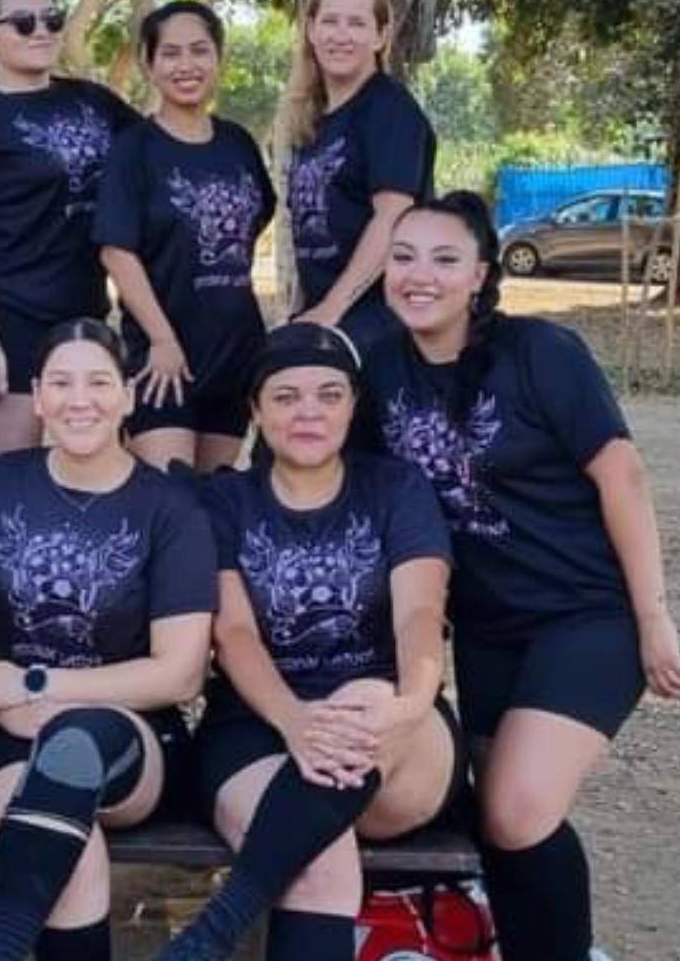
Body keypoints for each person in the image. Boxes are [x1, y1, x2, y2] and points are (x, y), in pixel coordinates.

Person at [367, 191, 680, 961]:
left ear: (481, 274)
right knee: (501, 818)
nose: (422, 276)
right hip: (487, 629)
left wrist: (653, 618)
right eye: (404, 256)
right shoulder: (382, 369)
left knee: (517, 809)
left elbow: (623, 477)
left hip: (586, 616)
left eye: (445, 260)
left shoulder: (541, 353)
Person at [160, 321, 463, 960]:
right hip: (257, 724)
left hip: (394, 733)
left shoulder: (396, 489)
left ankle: (219, 927)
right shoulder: (224, 501)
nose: (308, 413)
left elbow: (419, 614)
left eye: (329, 395)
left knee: (358, 702)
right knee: (320, 860)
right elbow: (234, 632)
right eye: (286, 396)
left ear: (354, 405)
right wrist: (294, 719)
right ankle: (215, 934)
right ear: (255, 410)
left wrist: (409, 704)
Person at [0, 319, 215, 960]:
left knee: (76, 741)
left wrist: (37, 684)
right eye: (61, 383)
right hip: (6, 738)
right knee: (73, 852)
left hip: (133, 739)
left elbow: (178, 674)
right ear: (36, 397)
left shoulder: (170, 508)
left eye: (98, 382)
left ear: (126, 395)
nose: (79, 400)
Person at [0, 0, 141, 454]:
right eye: (23, 23)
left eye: (51, 18)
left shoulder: (95, 102)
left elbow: (156, 158)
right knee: (14, 480)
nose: (41, 30)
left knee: (100, 471)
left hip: (84, 316)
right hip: (6, 320)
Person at [95, 1, 274, 473]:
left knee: (214, 497)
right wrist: (162, 340)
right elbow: (116, 252)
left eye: (199, 50)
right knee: (170, 499)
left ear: (218, 59)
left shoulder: (238, 144)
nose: (186, 65)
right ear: (150, 66)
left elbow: (257, 218)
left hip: (235, 350)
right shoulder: (134, 149)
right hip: (162, 359)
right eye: (170, 53)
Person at [283, 0, 436, 360]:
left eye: (356, 23)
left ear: (381, 36)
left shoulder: (388, 108)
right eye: (330, 21)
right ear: (311, 30)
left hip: (379, 318)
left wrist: (331, 311)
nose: (341, 35)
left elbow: (391, 220)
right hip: (331, 311)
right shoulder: (313, 121)